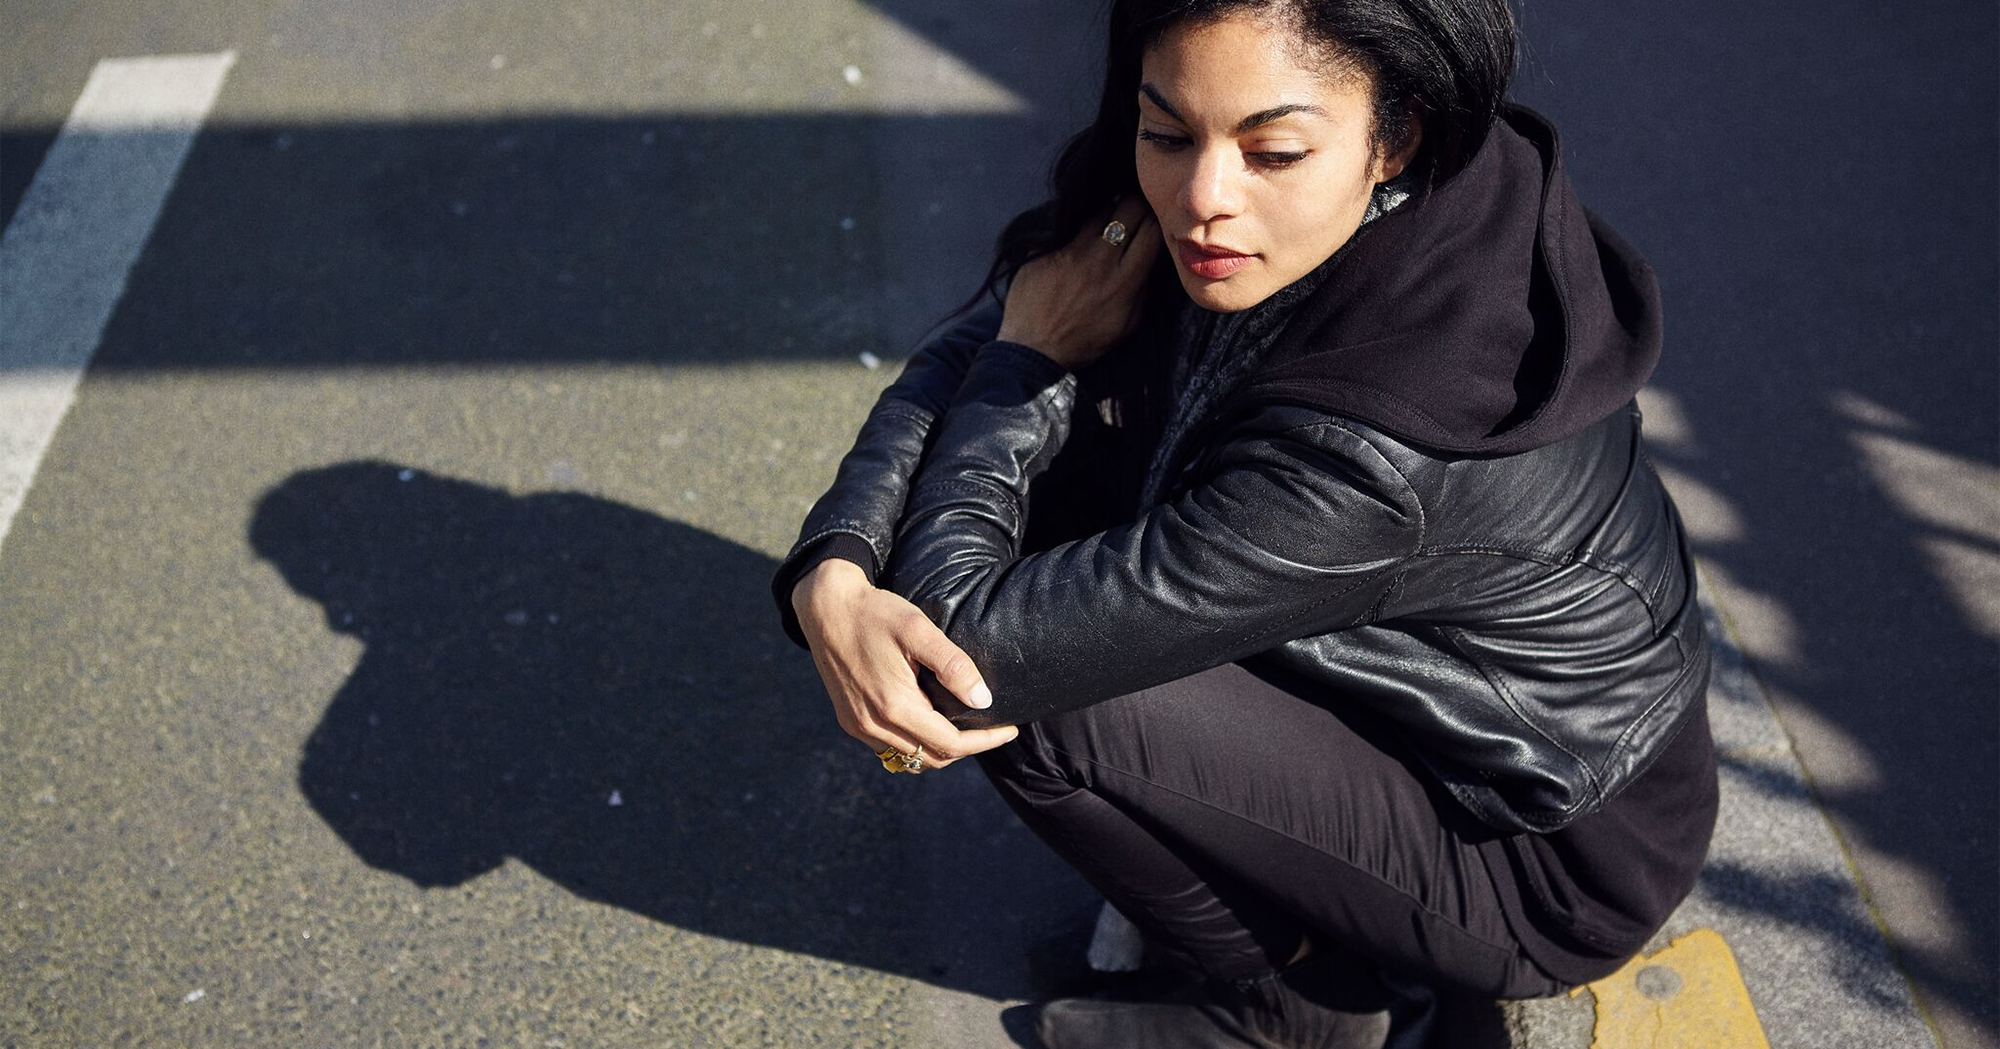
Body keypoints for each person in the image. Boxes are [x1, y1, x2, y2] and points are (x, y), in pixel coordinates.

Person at [771, 1, 1719, 1046]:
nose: (1201, 199)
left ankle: (1297, 1008)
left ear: (1395, 136)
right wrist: (838, 558)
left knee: (1027, 690)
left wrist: (1025, 367)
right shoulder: (1345, 173)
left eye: (1271, 153)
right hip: (1404, 699)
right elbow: (1019, 310)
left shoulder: (1375, 447)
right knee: (1033, 483)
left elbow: (964, 639)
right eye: (1165, 133)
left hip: (1536, 850)